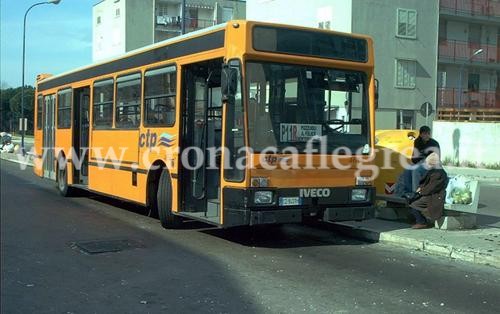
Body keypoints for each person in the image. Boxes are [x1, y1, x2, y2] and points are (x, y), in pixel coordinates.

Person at [408, 152, 448, 229]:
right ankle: (421, 220)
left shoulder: (438, 173)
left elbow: (432, 187)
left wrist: (420, 191)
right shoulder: (434, 171)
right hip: (430, 194)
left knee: (414, 204)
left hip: (435, 195)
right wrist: (420, 189)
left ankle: (422, 222)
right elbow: (426, 183)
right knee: (411, 200)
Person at [403, 125, 440, 193]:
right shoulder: (417, 142)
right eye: (425, 134)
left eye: (428, 133)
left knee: (416, 170)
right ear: (420, 134)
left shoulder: (434, 143)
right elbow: (414, 157)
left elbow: (436, 158)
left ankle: (416, 193)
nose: (427, 135)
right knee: (407, 170)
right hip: (421, 162)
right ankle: (408, 192)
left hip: (432, 163)